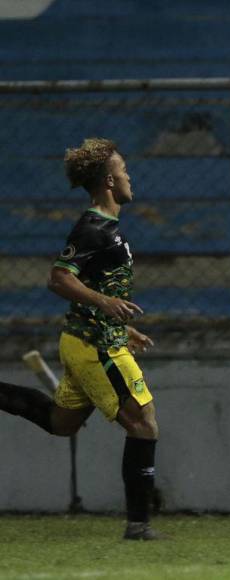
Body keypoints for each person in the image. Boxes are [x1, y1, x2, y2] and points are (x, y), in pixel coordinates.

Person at [0, 138, 162, 540]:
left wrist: (122, 323)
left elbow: (93, 284)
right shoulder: (91, 228)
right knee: (143, 424)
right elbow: (59, 278)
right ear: (110, 180)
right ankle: (138, 526)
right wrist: (106, 304)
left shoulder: (107, 229)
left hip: (91, 336)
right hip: (95, 344)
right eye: (124, 170)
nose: (129, 176)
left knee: (61, 423)